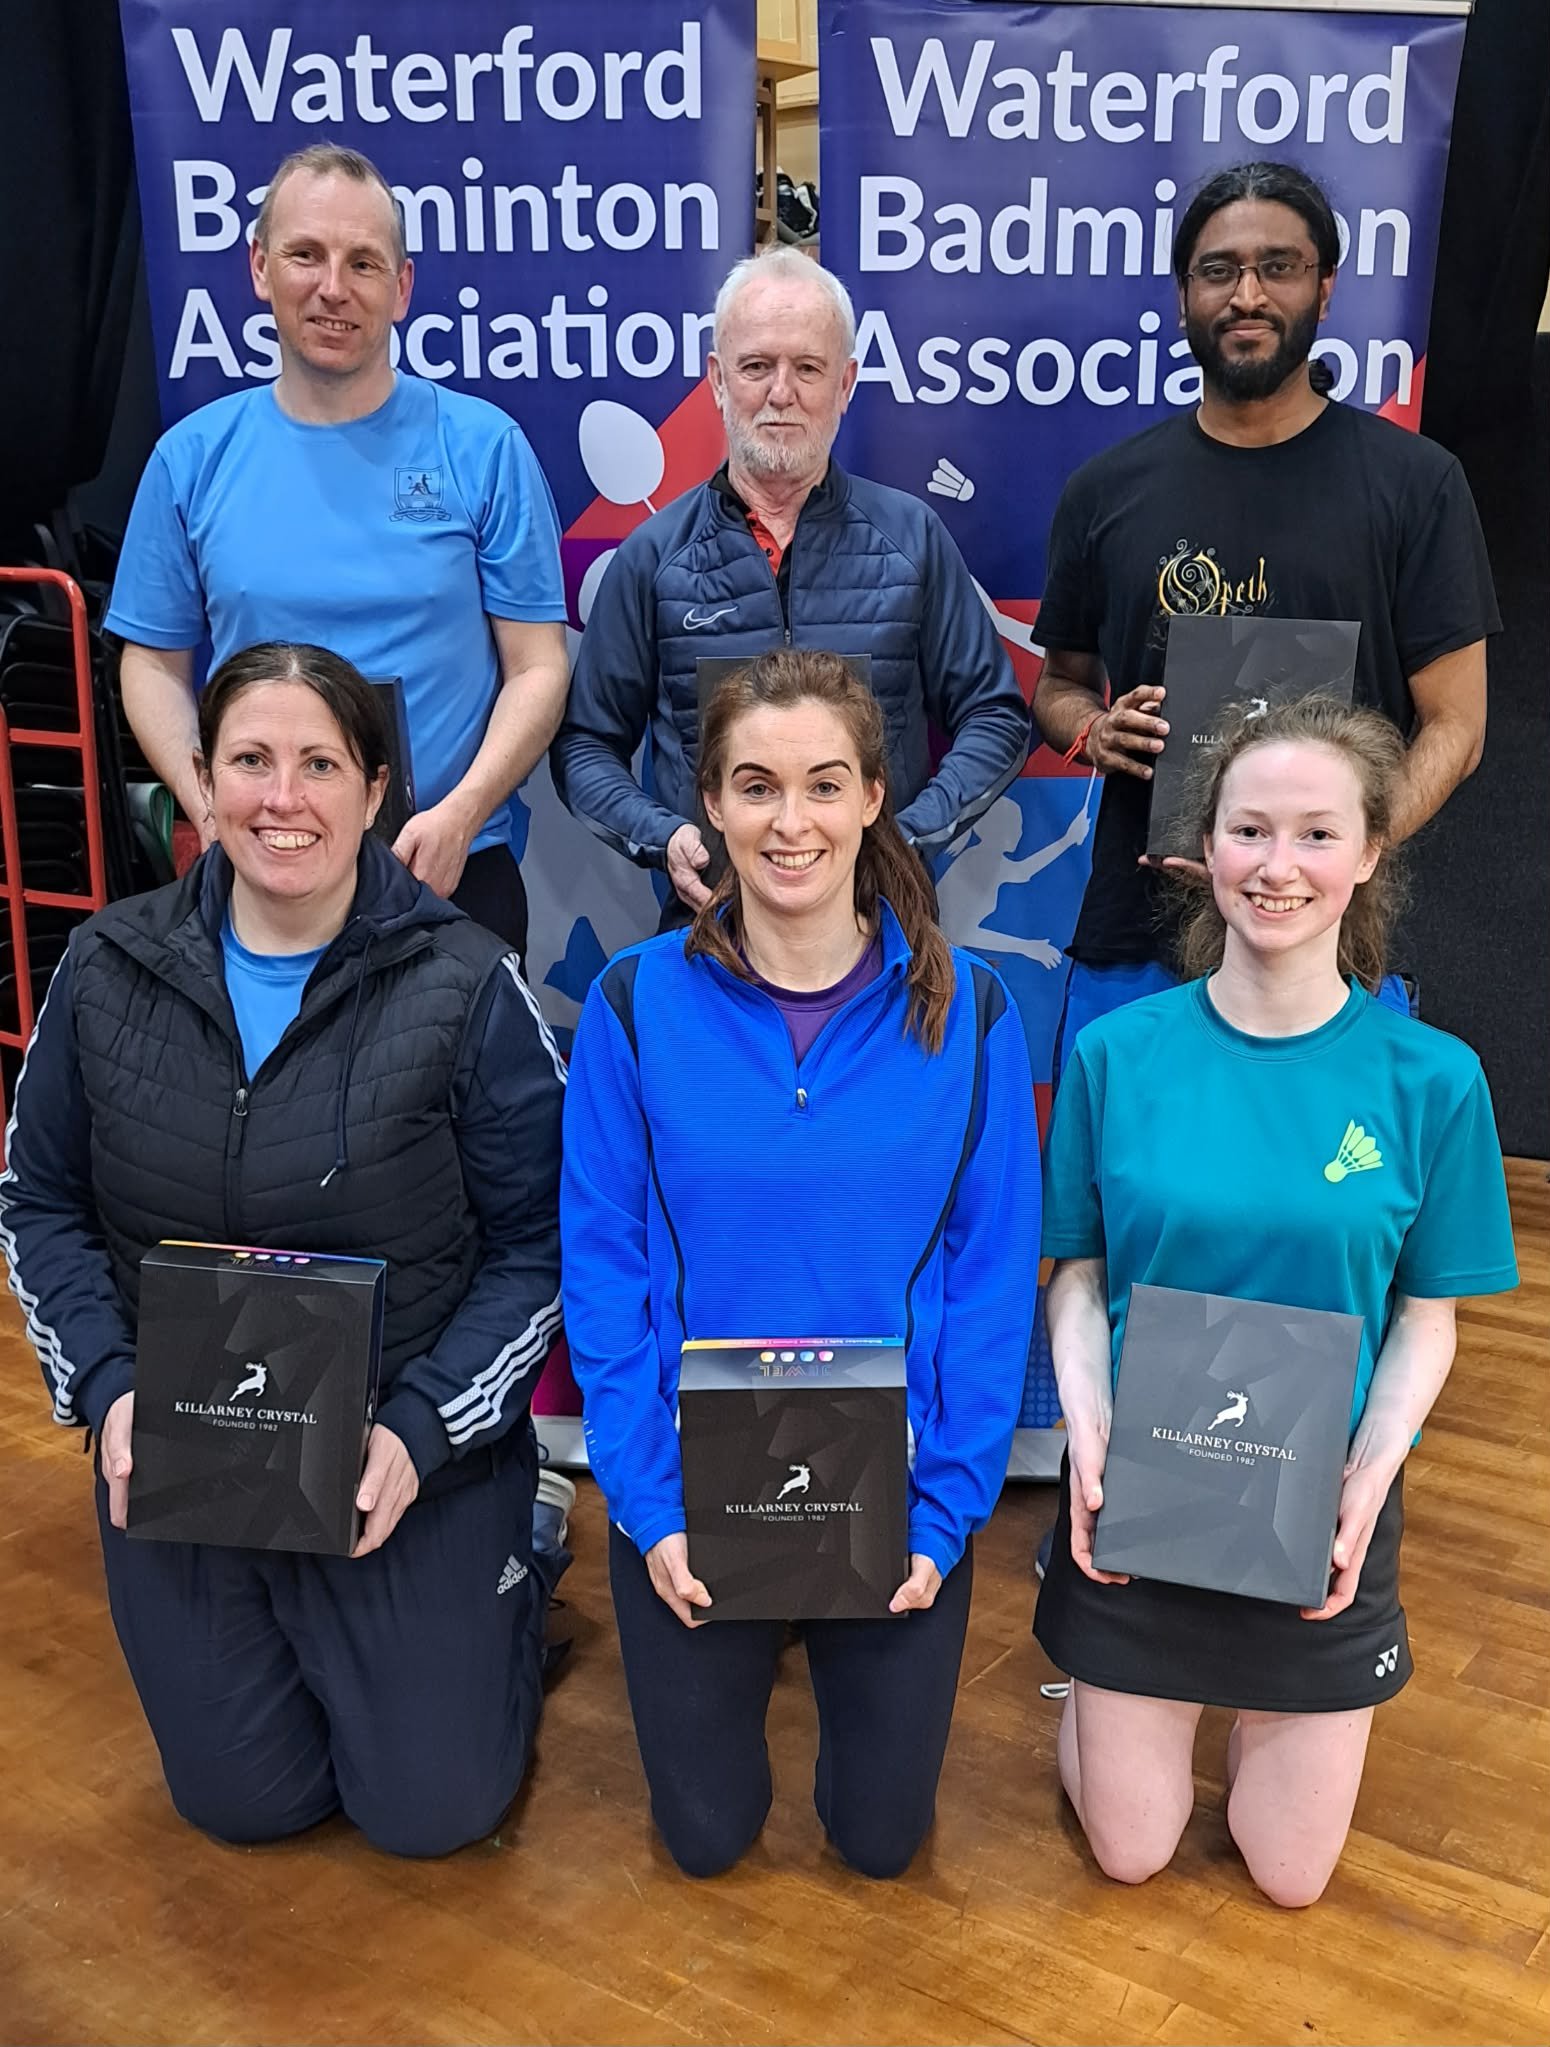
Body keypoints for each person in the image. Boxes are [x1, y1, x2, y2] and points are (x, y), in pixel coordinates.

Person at [0, 642, 567, 1857]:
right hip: (187, 1454)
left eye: (320, 764)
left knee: (430, 1813)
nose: (282, 798)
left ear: (376, 790)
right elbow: (35, 1202)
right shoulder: (104, 965)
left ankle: (517, 1561)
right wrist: (107, 1389)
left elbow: (543, 1246)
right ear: (202, 781)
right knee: (241, 1805)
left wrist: (422, 1431)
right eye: (250, 761)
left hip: (402, 1463)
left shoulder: (467, 982)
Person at [560, 649, 1040, 1878]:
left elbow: (991, 1282)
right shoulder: (631, 1004)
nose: (791, 822)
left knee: (880, 1842)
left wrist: (945, 1513)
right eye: (756, 786)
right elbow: (603, 1269)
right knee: (705, 1840)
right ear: (708, 803)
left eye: (824, 784)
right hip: (694, 1481)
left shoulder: (972, 1011)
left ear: (873, 797)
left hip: (894, 1487)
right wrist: (648, 1504)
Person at [1033, 695, 1517, 1906]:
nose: (1276, 866)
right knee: (1131, 1849)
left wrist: (1368, 1473)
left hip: (1320, 1496)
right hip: (1140, 1485)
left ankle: (1259, 1709)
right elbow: (1076, 1275)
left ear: (1368, 854)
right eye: (1248, 830)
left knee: (1289, 1872)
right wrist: (1086, 1432)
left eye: (1314, 834)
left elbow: (1427, 1315)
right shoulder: (1114, 1054)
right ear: (1204, 848)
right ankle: (1096, 1691)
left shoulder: (1433, 1078)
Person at [1031, 160, 1500, 1079]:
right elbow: (1059, 684)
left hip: (1335, 951)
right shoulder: (1105, 492)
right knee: (1123, 1176)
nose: (1247, 294)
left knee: (1333, 1178)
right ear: (1183, 297)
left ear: (1325, 288)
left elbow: (1458, 723)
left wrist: (1339, 851)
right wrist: (1091, 729)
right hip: (1139, 947)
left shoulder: (1416, 486)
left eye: (1278, 266)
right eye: (1219, 270)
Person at [106, 144, 569, 955]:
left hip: (446, 874)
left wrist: (463, 813)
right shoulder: (190, 460)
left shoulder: (485, 449)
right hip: (263, 873)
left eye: (362, 262)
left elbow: (538, 668)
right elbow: (151, 664)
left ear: (402, 287)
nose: (333, 287)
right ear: (259, 267)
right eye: (305, 255)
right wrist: (209, 803)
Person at [551, 247, 1031, 920]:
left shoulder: (914, 538)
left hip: (882, 921)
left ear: (845, 383)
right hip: (712, 922)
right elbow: (585, 743)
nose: (781, 393)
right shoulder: (652, 557)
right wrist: (665, 838)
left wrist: (908, 834)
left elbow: (996, 716)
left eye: (808, 367)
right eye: (756, 367)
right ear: (718, 381)